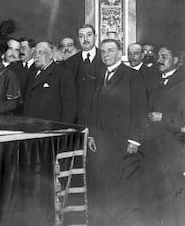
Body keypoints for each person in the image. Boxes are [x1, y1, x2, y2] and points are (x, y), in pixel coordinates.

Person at [88, 39, 148, 226]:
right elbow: (93, 107)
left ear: (119, 52)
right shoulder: (100, 75)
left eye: (110, 50)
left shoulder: (132, 75)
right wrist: (91, 134)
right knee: (102, 184)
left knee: (120, 187)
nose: (106, 54)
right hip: (101, 140)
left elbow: (140, 109)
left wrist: (135, 140)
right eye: (103, 51)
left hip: (122, 141)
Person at [141, 45, 185, 224]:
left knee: (174, 195)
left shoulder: (182, 83)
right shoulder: (157, 82)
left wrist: (163, 117)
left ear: (175, 60)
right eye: (158, 56)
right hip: (156, 149)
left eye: (164, 56)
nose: (159, 59)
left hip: (175, 149)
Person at [22, 42, 77, 123]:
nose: (37, 56)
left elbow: (69, 106)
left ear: (51, 54)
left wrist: (64, 129)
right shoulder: (31, 73)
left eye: (41, 52)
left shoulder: (62, 74)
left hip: (51, 128)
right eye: (35, 53)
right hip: (30, 126)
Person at [63, 24, 106, 125]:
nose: (85, 39)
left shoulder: (106, 59)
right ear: (78, 39)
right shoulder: (69, 63)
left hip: (101, 120)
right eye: (81, 36)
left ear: (95, 37)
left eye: (89, 35)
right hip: (77, 120)